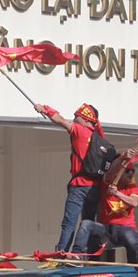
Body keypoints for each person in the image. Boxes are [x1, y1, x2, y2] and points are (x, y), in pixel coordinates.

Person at [35, 102, 106, 253]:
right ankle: (89, 255)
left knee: (69, 223)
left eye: (76, 116)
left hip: (79, 185)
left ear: (86, 120)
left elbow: (60, 120)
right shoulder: (99, 138)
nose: (73, 119)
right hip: (95, 188)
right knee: (88, 222)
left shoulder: (80, 131)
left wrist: (45, 109)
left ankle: (62, 254)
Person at [72, 152, 138, 263]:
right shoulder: (108, 183)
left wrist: (117, 193)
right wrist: (121, 157)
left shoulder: (133, 187)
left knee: (132, 241)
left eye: (133, 171)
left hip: (126, 228)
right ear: (119, 172)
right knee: (86, 224)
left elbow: (134, 202)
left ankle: (134, 270)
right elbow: (110, 171)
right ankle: (76, 254)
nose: (131, 173)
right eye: (128, 171)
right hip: (106, 228)